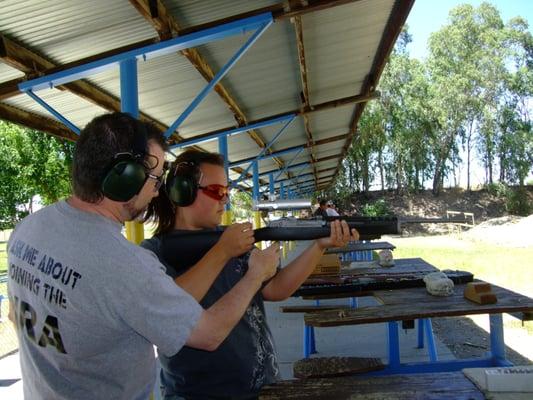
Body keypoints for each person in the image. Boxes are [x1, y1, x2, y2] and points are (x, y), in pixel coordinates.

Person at [6, 112, 279, 400]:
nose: (157, 190)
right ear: (125, 178)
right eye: (154, 179)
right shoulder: (125, 264)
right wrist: (255, 276)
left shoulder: (28, 229)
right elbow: (209, 334)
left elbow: (15, 315)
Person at [142, 149, 358, 399]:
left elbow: (275, 289)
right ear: (183, 191)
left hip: (264, 387)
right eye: (217, 192)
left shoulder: (233, 239)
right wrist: (224, 252)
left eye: (226, 192)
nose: (225, 200)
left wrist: (320, 245)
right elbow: (171, 308)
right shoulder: (155, 253)